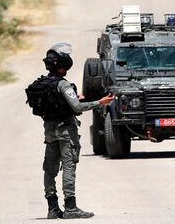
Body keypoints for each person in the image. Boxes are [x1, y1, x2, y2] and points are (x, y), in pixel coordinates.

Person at [26, 42, 114, 219]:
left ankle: (52, 208)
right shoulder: (63, 85)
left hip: (49, 131)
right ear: (63, 64)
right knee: (68, 166)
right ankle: (71, 208)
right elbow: (77, 106)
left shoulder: (44, 82)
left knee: (50, 169)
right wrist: (100, 102)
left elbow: (65, 101)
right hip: (66, 131)